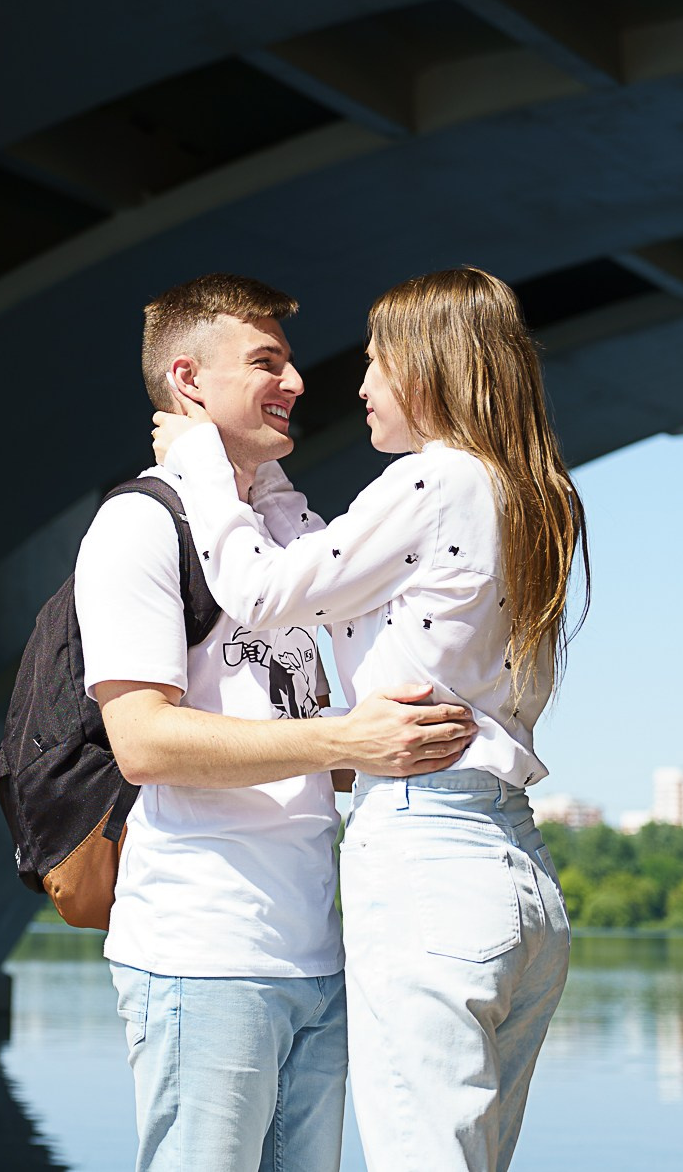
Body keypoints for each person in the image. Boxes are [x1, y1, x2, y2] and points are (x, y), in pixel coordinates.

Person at [155, 266, 587, 1172]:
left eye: (379, 363)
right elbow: (326, 575)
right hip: (515, 870)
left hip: (426, 855)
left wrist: (197, 460)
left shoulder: (436, 479)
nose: (357, 384)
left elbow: (263, 591)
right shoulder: (532, 492)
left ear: (428, 370)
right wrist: (262, 482)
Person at [76, 272, 480, 1172]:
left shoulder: (279, 541)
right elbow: (142, 742)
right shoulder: (141, 527)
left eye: (289, 360)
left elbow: (279, 719)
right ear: (189, 381)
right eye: (267, 361)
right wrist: (346, 739)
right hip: (203, 952)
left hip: (318, 958)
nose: (297, 381)